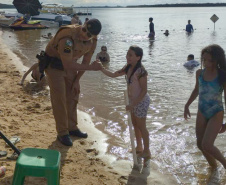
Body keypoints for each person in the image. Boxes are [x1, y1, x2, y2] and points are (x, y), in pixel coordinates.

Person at [42, 19, 103, 146]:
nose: (84, 33)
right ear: (83, 25)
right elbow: (68, 64)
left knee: (73, 95)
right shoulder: (68, 36)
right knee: (60, 99)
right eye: (84, 29)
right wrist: (92, 68)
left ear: (94, 36)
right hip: (54, 65)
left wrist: (77, 80)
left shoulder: (92, 41)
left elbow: (85, 61)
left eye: (88, 34)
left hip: (70, 66)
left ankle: (72, 127)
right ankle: (63, 132)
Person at [101, 45, 151, 166]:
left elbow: (144, 91)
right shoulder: (127, 68)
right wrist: (101, 68)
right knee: (135, 124)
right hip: (132, 101)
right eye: (127, 54)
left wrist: (133, 104)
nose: (127, 57)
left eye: (130, 55)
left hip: (141, 101)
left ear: (138, 57)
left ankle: (147, 151)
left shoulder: (141, 72)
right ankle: (139, 147)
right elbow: (113, 74)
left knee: (141, 126)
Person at [184, 44, 226, 169]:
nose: (206, 63)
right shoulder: (199, 73)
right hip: (202, 111)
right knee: (199, 144)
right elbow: (197, 90)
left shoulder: (222, 75)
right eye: (204, 60)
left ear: (217, 60)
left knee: (207, 144)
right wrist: (187, 105)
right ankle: (213, 168)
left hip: (216, 112)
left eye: (210, 60)